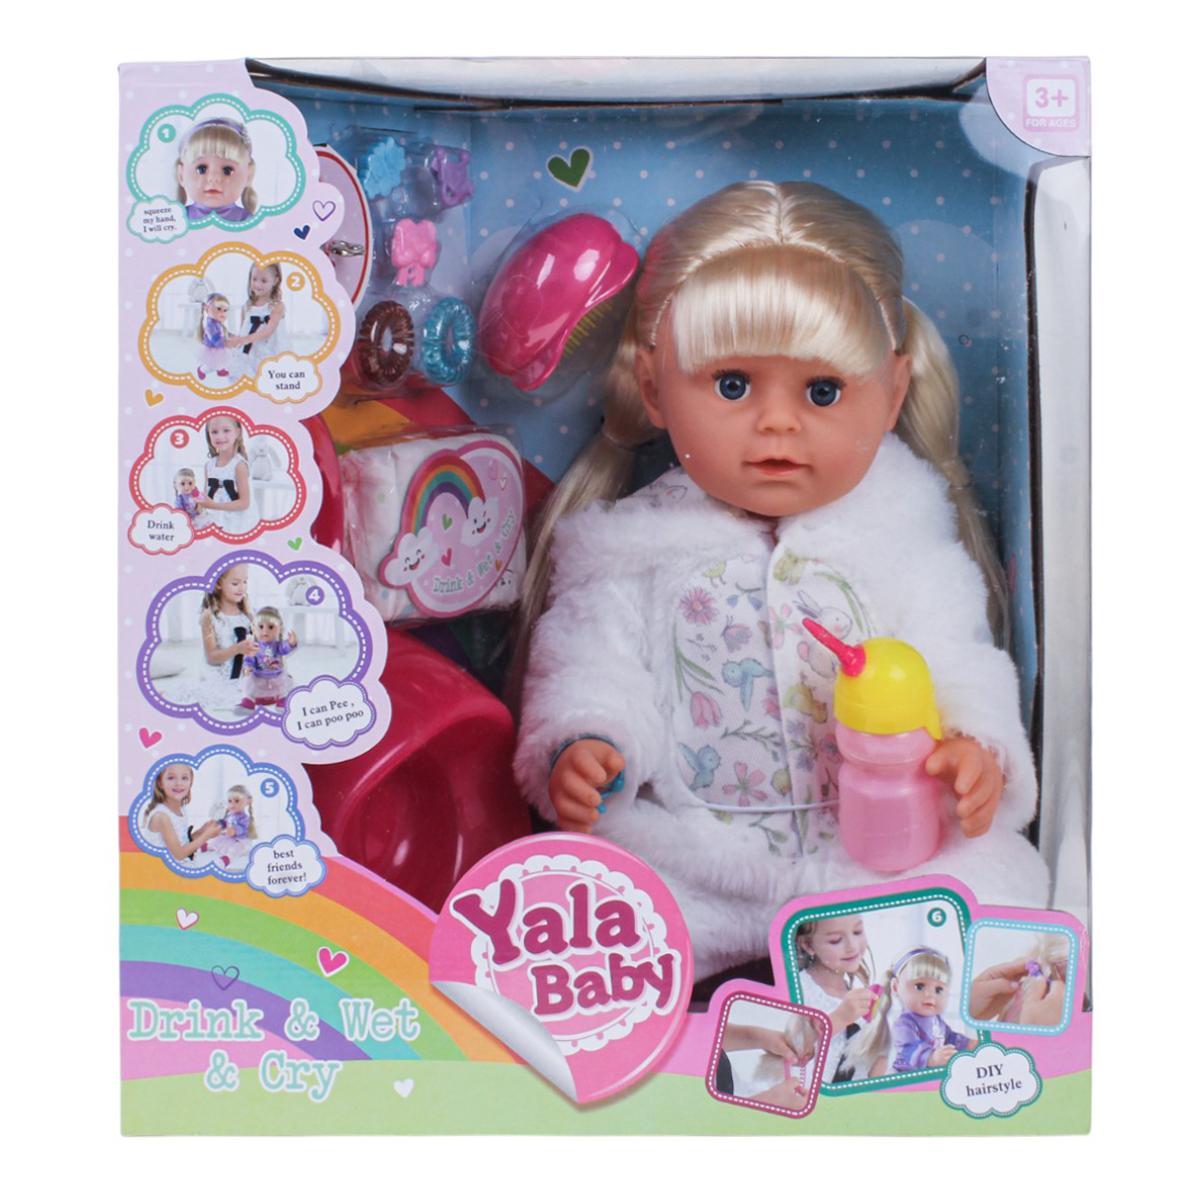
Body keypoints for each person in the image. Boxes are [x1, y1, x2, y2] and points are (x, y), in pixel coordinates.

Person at [514, 181, 1048, 980]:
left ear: (892, 393)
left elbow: (961, 660)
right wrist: (589, 742)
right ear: (654, 386)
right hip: (698, 864)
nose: (776, 422)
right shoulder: (631, 552)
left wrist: (976, 748)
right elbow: (594, 668)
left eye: (822, 391)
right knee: (570, 915)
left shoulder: (905, 545)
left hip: (887, 861)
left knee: (1000, 892)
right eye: (731, 385)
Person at [176, 117, 257, 223]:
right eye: (201, 169)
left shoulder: (247, 221)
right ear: (181, 175)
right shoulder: (178, 219)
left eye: (227, 170)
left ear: (248, 174)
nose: (213, 178)